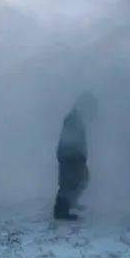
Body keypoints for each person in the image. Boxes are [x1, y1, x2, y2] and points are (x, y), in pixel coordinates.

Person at [54, 92, 97, 221]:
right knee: (68, 183)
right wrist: (77, 153)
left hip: (75, 156)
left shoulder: (77, 118)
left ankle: (71, 202)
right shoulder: (72, 118)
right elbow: (70, 139)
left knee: (83, 178)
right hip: (70, 156)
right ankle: (60, 212)